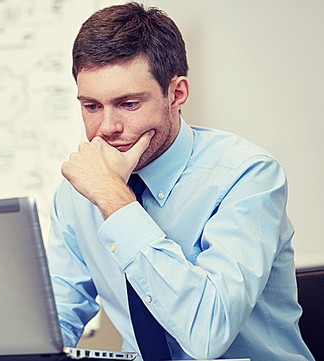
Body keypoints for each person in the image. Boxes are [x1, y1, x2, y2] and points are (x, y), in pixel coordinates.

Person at [46, 2, 314, 361]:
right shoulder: (76, 192)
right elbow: (56, 320)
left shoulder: (249, 175)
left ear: (177, 94)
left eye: (127, 104)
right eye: (92, 106)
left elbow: (207, 334)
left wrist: (114, 199)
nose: (107, 128)